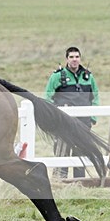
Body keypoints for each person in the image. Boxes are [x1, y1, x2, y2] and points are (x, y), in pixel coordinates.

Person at [44, 46, 99, 178]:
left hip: (83, 123)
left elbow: (95, 96)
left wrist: (93, 117)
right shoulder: (57, 76)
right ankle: (59, 182)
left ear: (80, 58)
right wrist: (54, 117)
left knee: (81, 154)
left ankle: (80, 184)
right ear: (67, 59)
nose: (74, 60)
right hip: (63, 123)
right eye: (71, 57)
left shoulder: (88, 77)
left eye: (77, 57)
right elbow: (48, 98)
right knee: (62, 153)